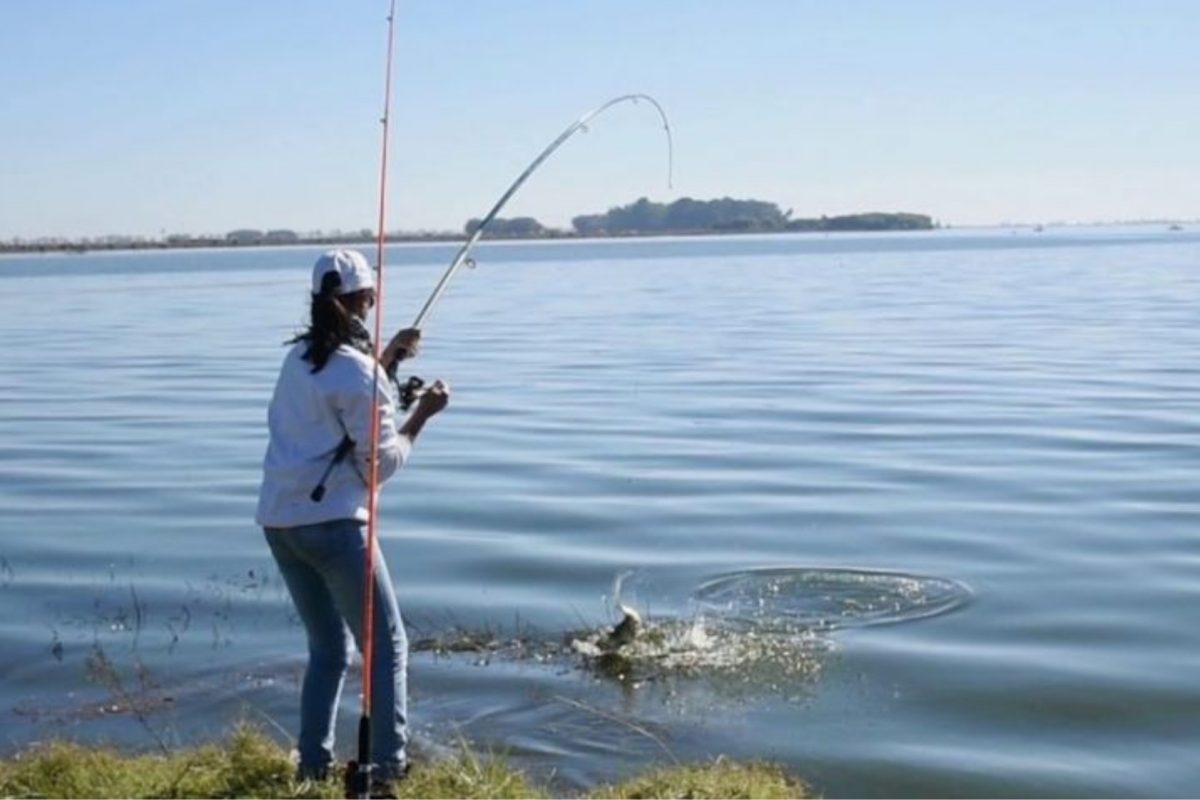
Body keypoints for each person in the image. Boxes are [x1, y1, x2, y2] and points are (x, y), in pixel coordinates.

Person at [256, 249, 449, 784]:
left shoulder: (296, 359)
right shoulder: (358, 373)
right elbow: (380, 466)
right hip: (336, 527)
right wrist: (422, 417)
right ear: (364, 300)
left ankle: (312, 768)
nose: (374, 301)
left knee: (327, 648)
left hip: (279, 524)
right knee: (387, 648)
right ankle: (388, 769)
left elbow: (341, 400)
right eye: (371, 295)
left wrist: (387, 361)